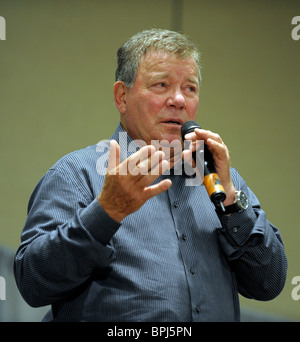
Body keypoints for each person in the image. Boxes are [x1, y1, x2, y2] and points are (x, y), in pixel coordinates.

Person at [14, 29, 287, 322]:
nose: (179, 100)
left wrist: (232, 202)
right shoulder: (75, 174)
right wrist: (106, 213)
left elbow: (268, 284)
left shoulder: (220, 181)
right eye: (161, 85)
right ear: (122, 97)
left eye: (190, 88)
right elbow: (33, 284)